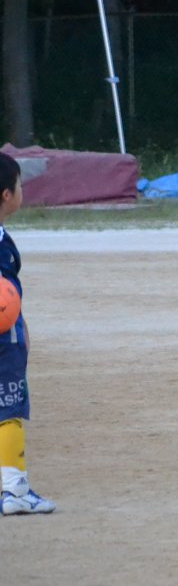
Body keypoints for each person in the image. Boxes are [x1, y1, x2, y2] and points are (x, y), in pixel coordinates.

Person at [0, 154, 54, 514]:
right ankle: (15, 491)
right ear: (6, 195)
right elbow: (7, 297)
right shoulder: (2, 246)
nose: (22, 192)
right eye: (19, 185)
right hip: (4, 340)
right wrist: (20, 330)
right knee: (8, 410)